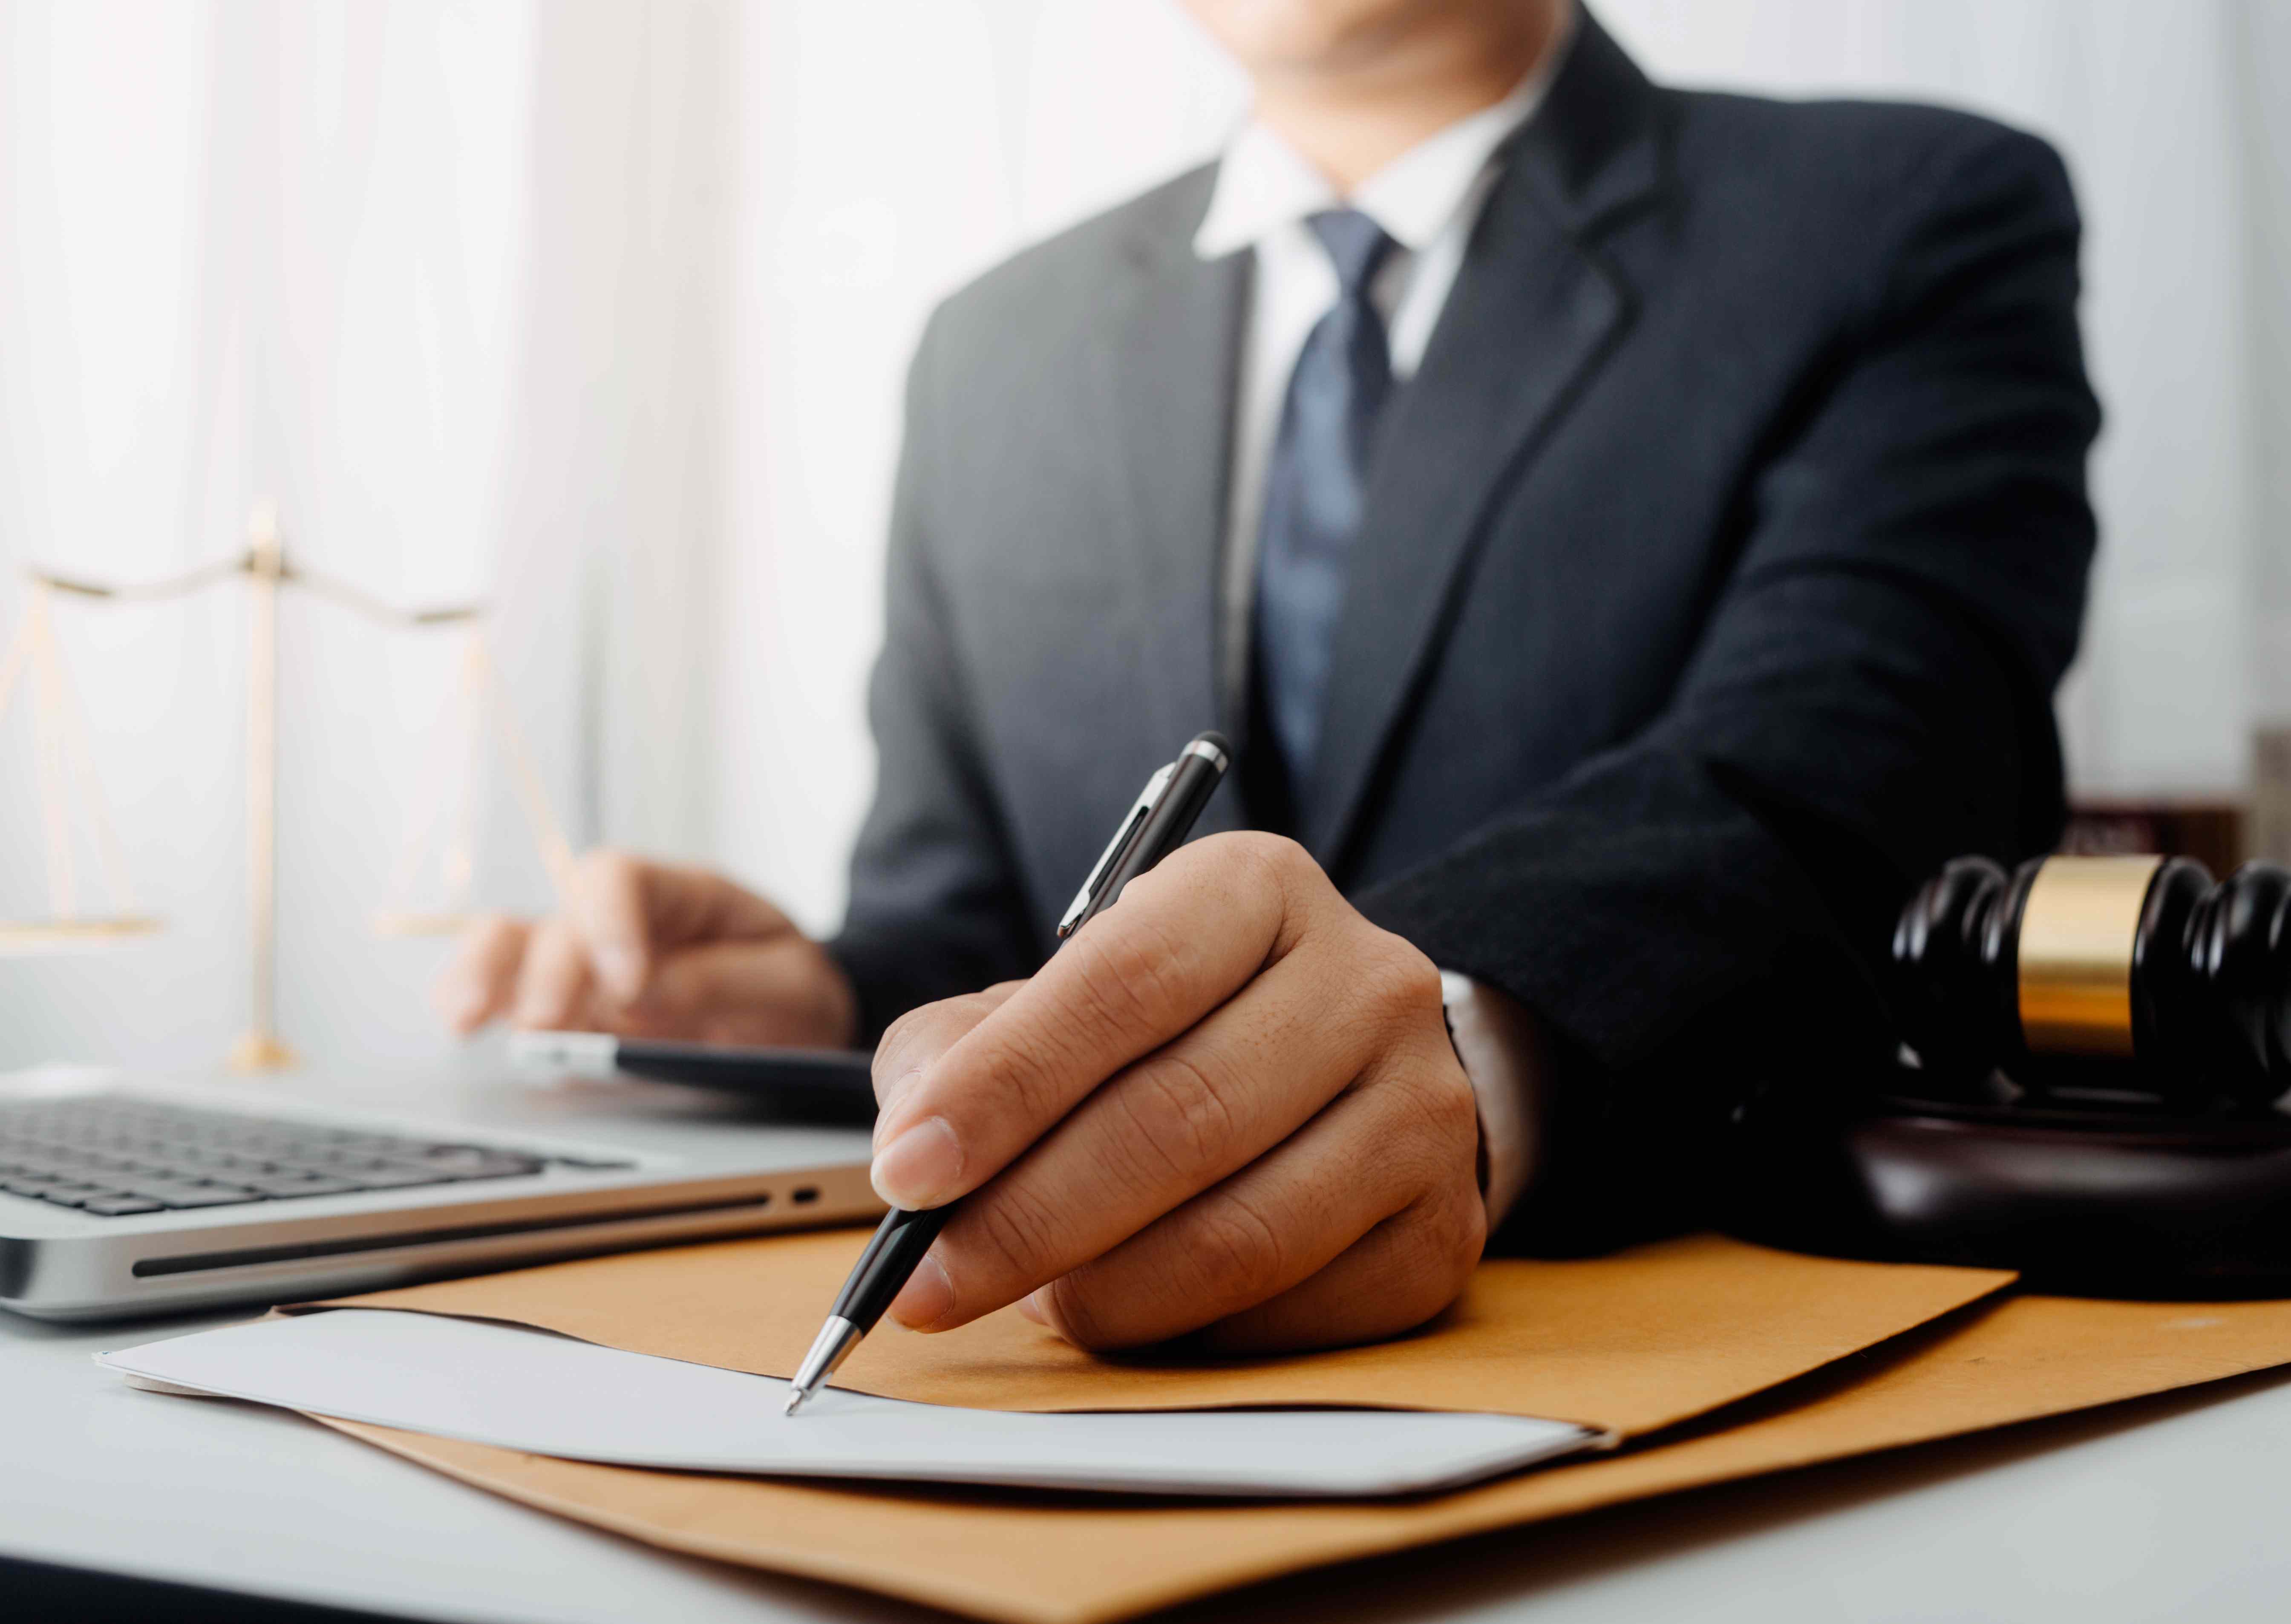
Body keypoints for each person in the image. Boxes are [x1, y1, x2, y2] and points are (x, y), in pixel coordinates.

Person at [440, 0, 2096, 1356]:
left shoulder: (1901, 221)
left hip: (1657, 1365)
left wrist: (1456, 1055)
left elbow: (1855, 767)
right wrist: (819, 993)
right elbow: (989, 922)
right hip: (1068, 1415)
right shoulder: (996, 350)